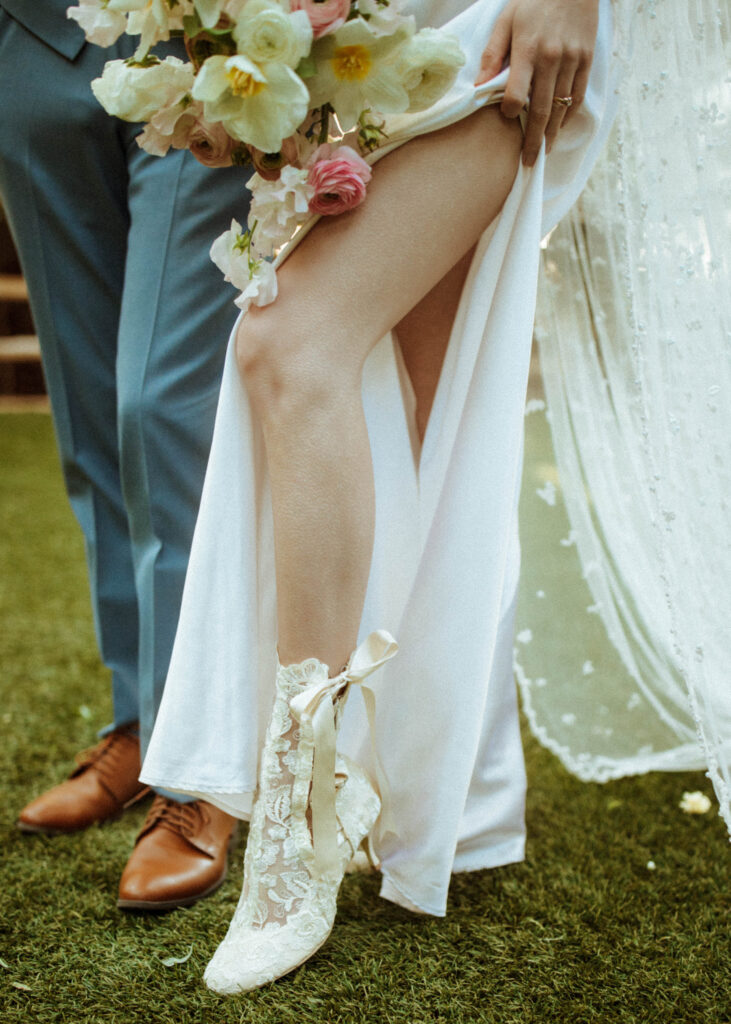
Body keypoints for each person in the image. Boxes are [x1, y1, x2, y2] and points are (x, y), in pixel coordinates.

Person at [136, 0, 618, 993]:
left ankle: (294, 828)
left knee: (292, 343)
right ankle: (420, 795)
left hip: (506, 22)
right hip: (394, 32)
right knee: (422, 396)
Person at [0, 0, 247, 909]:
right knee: (89, 415)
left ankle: (199, 768)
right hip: (26, 42)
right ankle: (140, 719)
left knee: (160, 408)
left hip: (196, 39)